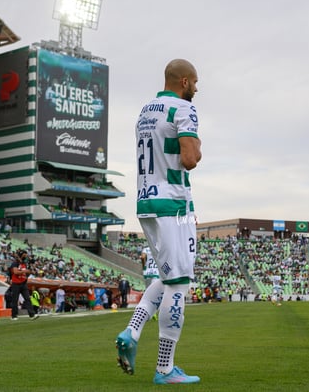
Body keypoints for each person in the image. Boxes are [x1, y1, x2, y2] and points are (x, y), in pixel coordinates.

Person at [115, 58, 202, 384]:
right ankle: (165, 368)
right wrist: (199, 146)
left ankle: (133, 330)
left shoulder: (145, 110)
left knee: (168, 277)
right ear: (183, 82)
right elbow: (189, 158)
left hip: (146, 201)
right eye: (195, 82)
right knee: (179, 283)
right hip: (174, 204)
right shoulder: (183, 108)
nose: (197, 88)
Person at [9, 250, 39, 321]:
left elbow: (25, 273)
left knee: (27, 299)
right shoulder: (15, 263)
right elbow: (15, 272)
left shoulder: (24, 264)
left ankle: (32, 314)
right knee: (15, 300)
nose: (25, 257)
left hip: (23, 283)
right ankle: (14, 315)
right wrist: (25, 271)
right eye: (24, 255)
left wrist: (30, 272)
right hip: (16, 283)